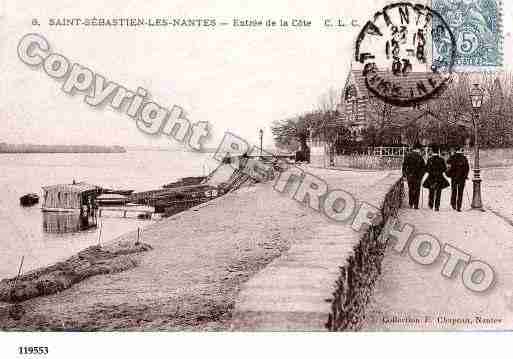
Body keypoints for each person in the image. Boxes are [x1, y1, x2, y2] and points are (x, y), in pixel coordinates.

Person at [423, 145, 450, 211]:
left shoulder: (430, 159)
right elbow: (444, 169)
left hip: (431, 177)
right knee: (438, 192)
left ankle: (431, 204)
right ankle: (437, 206)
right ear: (438, 151)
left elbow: (426, 169)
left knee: (431, 191)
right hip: (439, 178)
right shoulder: (441, 159)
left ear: (432, 151)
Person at [402, 144, 426, 209]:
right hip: (418, 177)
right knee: (417, 190)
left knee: (411, 189)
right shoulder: (420, 157)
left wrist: (405, 174)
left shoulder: (408, 156)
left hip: (410, 175)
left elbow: (404, 166)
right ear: (417, 149)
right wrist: (421, 176)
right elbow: (424, 168)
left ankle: (410, 203)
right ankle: (416, 205)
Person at [446, 147, 470, 211]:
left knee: (454, 190)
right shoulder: (464, 158)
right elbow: (467, 168)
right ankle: (459, 206)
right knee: (460, 192)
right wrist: (465, 176)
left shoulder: (452, 157)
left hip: (454, 177)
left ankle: (453, 203)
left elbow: (448, 164)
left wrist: (449, 174)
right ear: (460, 150)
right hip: (462, 178)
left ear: (455, 150)